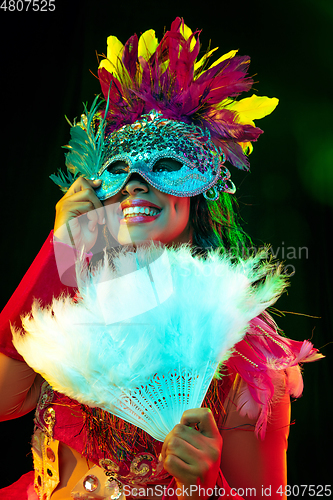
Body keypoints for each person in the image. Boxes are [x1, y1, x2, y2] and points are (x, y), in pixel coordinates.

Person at [0, 18, 322, 500]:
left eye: (165, 164)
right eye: (120, 166)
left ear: (205, 183)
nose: (135, 182)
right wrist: (63, 246)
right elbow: (4, 399)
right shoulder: (78, 293)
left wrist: (208, 485)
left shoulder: (243, 355)